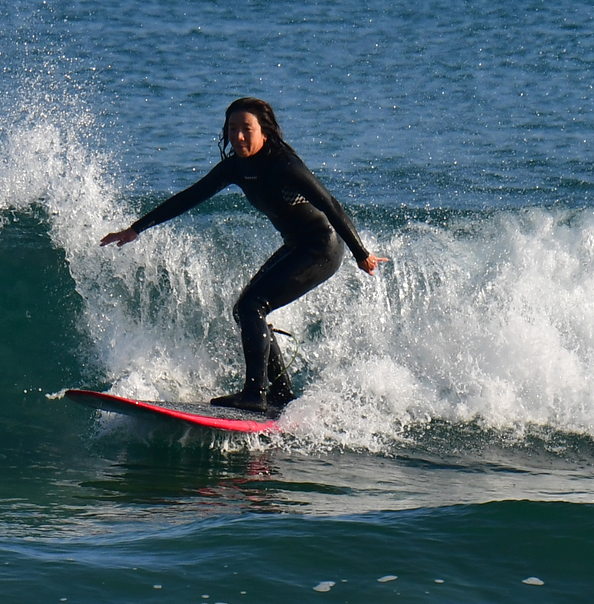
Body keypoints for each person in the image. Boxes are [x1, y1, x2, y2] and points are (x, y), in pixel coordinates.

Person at [100, 97, 386, 413]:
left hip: (321, 247)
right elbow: (190, 197)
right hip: (296, 244)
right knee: (245, 309)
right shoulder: (236, 167)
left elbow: (330, 204)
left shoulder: (284, 164)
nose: (238, 136)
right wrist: (136, 228)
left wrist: (362, 254)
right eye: (232, 128)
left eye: (246, 129)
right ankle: (280, 394)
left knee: (253, 305)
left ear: (264, 131)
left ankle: (255, 394)